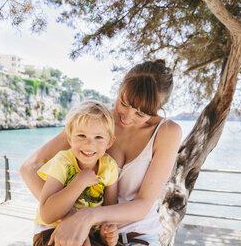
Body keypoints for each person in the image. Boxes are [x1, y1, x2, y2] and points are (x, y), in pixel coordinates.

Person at [21, 60, 182, 246]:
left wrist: (87, 217)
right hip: (77, 231)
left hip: (136, 235)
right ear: (119, 88)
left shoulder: (168, 132)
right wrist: (70, 217)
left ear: (158, 108)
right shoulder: (95, 121)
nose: (127, 117)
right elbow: (30, 168)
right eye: (123, 103)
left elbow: (143, 204)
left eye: (141, 114)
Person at [32, 100, 119, 246]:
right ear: (69, 139)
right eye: (81, 136)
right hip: (52, 230)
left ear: (109, 142)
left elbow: (110, 211)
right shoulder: (62, 162)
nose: (89, 144)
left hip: (90, 233)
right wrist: (79, 182)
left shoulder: (110, 167)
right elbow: (47, 214)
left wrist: (108, 233)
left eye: (98, 137)